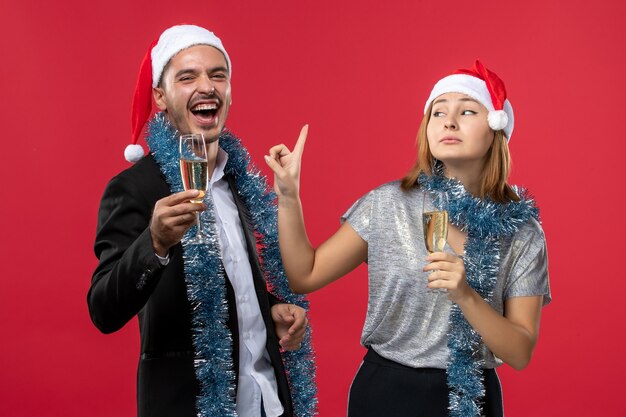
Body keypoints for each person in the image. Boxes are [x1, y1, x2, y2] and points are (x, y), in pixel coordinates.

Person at [265, 60, 551, 417]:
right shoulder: (388, 204)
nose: (449, 121)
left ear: (496, 129)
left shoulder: (521, 231)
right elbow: (303, 274)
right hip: (388, 395)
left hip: (473, 398)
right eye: (438, 112)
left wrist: (466, 295)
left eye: (467, 111)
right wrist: (289, 197)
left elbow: (520, 352)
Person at [87, 24, 316, 417]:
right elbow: (103, 310)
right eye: (187, 77)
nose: (206, 86)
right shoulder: (134, 189)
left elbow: (236, 286)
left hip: (267, 403)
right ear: (160, 96)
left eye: (218, 75)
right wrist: (154, 243)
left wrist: (272, 310)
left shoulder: (240, 182)